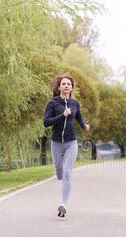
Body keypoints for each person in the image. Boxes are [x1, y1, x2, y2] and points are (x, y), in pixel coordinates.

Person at [43, 74, 90, 218]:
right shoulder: (52, 103)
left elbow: (78, 116)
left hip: (71, 142)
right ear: (59, 87)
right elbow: (46, 122)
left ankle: (63, 204)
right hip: (56, 143)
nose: (66, 86)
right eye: (63, 84)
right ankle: (62, 183)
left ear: (71, 88)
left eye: (68, 84)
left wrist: (84, 126)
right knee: (59, 173)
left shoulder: (75, 103)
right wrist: (63, 115)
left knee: (68, 173)